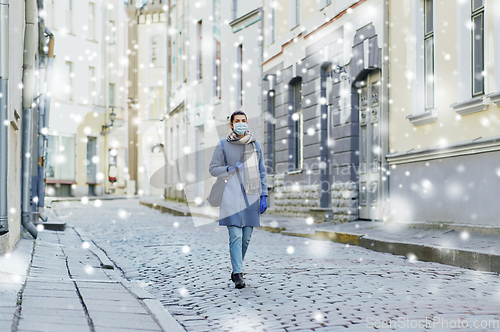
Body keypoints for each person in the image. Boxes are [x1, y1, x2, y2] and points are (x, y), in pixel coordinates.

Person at [209, 110, 268, 289]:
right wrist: (230, 168)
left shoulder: (255, 144)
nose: (241, 123)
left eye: (244, 120)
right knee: (235, 235)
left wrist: (264, 194)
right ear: (232, 125)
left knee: (246, 238)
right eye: (238, 121)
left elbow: (262, 171)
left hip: (251, 196)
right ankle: (237, 274)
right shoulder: (222, 145)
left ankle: (237, 267)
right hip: (230, 196)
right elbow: (213, 169)